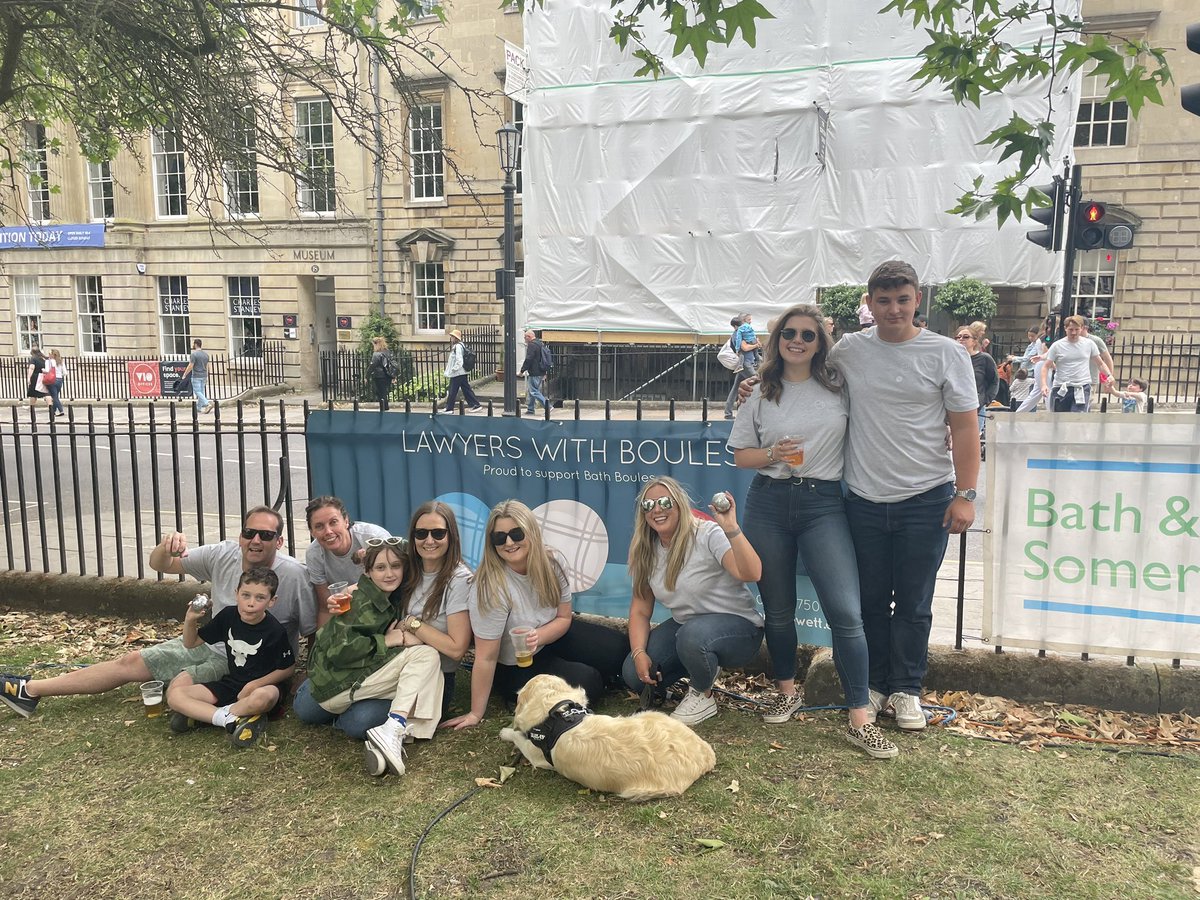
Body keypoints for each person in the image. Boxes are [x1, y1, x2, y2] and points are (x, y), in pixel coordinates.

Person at [741, 260, 979, 731]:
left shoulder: (947, 353)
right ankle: (871, 686)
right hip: (863, 501)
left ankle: (907, 690)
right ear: (869, 305)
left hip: (927, 496)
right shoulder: (848, 351)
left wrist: (966, 493)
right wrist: (754, 381)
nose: (894, 309)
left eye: (903, 300)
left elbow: (966, 427)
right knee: (869, 602)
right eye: (884, 300)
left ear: (917, 302)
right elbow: (796, 365)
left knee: (914, 602)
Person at [729, 305, 898, 759]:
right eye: (789, 333)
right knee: (778, 608)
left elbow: (885, 414)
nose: (798, 340)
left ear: (821, 342)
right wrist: (770, 455)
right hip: (768, 501)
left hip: (823, 502)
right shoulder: (761, 390)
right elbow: (740, 454)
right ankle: (788, 689)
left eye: (808, 334)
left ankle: (860, 715)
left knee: (846, 610)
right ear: (777, 339)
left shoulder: (838, 386)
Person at [1, 507, 315, 718]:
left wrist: (297, 678)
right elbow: (161, 565)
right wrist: (167, 547)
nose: (256, 540)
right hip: (208, 642)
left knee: (179, 687)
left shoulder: (294, 575)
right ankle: (29, 690)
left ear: (280, 541)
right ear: (241, 536)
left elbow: (311, 630)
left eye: (266, 535)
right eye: (249, 533)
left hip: (243, 663)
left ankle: (211, 714)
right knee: (131, 661)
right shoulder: (223, 554)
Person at [442, 500, 627, 729]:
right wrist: (475, 712)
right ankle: (521, 691)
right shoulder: (490, 587)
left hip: (549, 637)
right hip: (513, 665)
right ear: (492, 543)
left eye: (516, 533)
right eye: (499, 537)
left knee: (619, 649)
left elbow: (564, 618)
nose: (509, 542)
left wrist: (539, 636)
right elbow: (486, 657)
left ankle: (598, 671)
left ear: (531, 532)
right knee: (589, 682)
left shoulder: (553, 562)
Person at [622, 477, 763, 727]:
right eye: (648, 504)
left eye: (664, 502)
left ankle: (702, 692)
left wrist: (731, 528)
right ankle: (697, 667)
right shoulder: (647, 549)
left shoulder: (707, 534)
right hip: (687, 628)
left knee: (693, 636)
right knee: (634, 675)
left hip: (739, 628)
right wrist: (639, 652)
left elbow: (751, 573)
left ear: (679, 505)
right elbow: (641, 610)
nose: (656, 509)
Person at [303, 541, 445, 777]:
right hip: (336, 685)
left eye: (395, 566)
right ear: (367, 572)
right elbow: (339, 652)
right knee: (427, 656)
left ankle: (390, 740)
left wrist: (364, 554)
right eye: (380, 567)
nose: (389, 573)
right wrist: (389, 640)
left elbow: (418, 547)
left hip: (350, 677)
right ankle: (396, 726)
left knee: (427, 674)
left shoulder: (388, 594)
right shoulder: (359, 599)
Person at [166, 567, 295, 748]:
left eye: (260, 598)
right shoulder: (227, 616)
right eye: (246, 595)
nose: (251, 603)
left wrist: (255, 684)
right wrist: (190, 619)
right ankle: (229, 719)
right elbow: (191, 642)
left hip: (264, 686)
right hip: (232, 684)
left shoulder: (274, 630)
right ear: (236, 594)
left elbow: (288, 668)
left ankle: (207, 716)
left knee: (261, 698)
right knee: (175, 696)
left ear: (271, 601)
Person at [303, 496, 391, 629]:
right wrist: (322, 645)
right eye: (319, 526)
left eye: (333, 522)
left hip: (385, 606)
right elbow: (325, 608)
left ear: (346, 521)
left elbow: (394, 582)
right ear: (312, 532)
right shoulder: (314, 554)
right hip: (347, 615)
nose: (328, 531)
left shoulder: (373, 538)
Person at [1040, 315, 1113, 413]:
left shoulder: (1089, 344)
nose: (1073, 333)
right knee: (1059, 421)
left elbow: (1100, 363)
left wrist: (1109, 375)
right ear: (1065, 329)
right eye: (1070, 329)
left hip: (1082, 387)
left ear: (1082, 328)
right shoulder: (1057, 345)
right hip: (1061, 387)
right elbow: (1046, 366)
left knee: (1078, 420)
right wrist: (1044, 385)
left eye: (1076, 329)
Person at [957, 324, 998, 436]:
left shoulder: (984, 359)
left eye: (965, 337)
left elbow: (994, 381)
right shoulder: (952, 358)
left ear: (974, 341)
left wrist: (985, 399)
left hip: (976, 408)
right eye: (958, 337)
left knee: (972, 440)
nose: (961, 339)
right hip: (955, 407)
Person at [723, 315, 761, 420]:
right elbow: (744, 347)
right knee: (759, 382)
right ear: (736, 326)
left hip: (744, 362)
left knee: (735, 388)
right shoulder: (736, 335)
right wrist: (755, 345)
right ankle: (757, 411)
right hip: (745, 363)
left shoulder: (742, 333)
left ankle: (728, 412)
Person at [441, 329, 483, 413]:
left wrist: (454, 369)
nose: (451, 338)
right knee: (466, 389)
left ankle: (449, 408)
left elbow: (459, 360)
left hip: (458, 373)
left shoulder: (458, 346)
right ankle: (475, 405)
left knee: (452, 390)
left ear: (456, 338)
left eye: (452, 336)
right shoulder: (461, 345)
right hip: (462, 372)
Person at [518, 329, 551, 416]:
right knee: (531, 390)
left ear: (529, 337)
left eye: (525, 337)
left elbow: (529, 359)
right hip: (540, 371)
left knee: (533, 391)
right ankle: (530, 409)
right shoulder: (540, 343)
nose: (524, 339)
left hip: (534, 371)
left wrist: (522, 370)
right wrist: (545, 372)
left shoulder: (532, 345)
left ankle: (548, 406)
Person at [182, 338, 214, 414]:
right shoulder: (205, 355)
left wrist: (184, 374)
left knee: (197, 391)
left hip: (196, 375)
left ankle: (207, 403)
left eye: (193, 343)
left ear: (196, 344)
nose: (193, 345)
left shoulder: (194, 354)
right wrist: (207, 375)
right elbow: (207, 366)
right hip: (204, 375)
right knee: (201, 392)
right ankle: (198, 408)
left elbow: (190, 365)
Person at [368, 336, 395, 411]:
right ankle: (385, 407)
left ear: (376, 344)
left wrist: (366, 376)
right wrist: (393, 377)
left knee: (380, 393)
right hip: (388, 375)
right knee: (384, 392)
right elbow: (392, 364)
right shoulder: (387, 351)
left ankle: (383, 408)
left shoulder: (376, 354)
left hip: (379, 376)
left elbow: (372, 366)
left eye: (373, 344)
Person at [44, 349, 66, 418]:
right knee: (55, 395)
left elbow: (47, 371)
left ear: (53, 354)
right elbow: (65, 372)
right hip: (59, 380)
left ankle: (61, 410)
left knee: (54, 396)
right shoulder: (61, 361)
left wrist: (43, 371)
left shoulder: (48, 362)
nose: (48, 355)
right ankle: (53, 411)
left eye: (49, 353)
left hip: (52, 380)